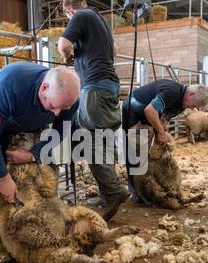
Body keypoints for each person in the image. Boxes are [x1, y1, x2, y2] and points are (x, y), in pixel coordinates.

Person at [0, 62, 80, 257]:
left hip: (31, 119)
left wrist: (34, 153)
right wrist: (4, 178)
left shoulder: (67, 97)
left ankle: (46, 230)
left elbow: (61, 129)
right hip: (1, 119)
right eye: (54, 106)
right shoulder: (10, 87)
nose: (57, 113)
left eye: (62, 108)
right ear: (44, 87)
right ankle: (3, 247)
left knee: (45, 172)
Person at [57, 0, 129, 222]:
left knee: (91, 143)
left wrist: (67, 57)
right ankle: (108, 193)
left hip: (94, 87)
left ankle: (115, 191)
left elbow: (63, 44)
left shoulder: (80, 16)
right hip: (110, 86)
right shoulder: (101, 21)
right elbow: (115, 50)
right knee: (103, 140)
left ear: (70, 10)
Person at [122, 80, 208, 202]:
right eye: (195, 104)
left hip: (148, 112)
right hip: (134, 108)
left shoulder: (182, 103)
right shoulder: (172, 92)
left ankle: (155, 188)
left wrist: (161, 128)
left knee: (153, 149)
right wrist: (160, 132)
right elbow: (150, 110)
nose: (194, 108)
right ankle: (137, 192)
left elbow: (164, 115)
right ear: (190, 95)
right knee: (137, 148)